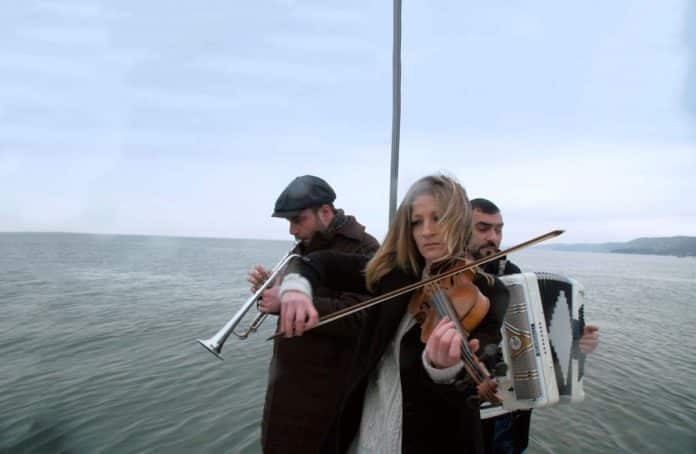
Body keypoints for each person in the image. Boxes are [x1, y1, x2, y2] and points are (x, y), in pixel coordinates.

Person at [276, 174, 511, 454]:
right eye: (416, 222)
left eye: (438, 218)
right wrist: (296, 288)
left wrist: (443, 370)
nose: (426, 231)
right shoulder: (395, 274)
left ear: (459, 221)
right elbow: (319, 263)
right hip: (367, 429)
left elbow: (482, 361)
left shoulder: (489, 292)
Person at [247, 175, 379, 454]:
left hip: (327, 394)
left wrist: (286, 303)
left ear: (326, 212)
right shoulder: (301, 250)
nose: (292, 230)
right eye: (289, 222)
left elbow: (363, 318)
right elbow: (292, 305)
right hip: (285, 388)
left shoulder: (365, 248)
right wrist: (270, 292)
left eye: (298, 220)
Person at [469, 198, 600, 454]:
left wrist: (576, 342)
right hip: (469, 413)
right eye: (483, 228)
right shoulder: (449, 277)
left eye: (498, 230)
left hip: (512, 410)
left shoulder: (513, 274)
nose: (493, 237)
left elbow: (537, 333)